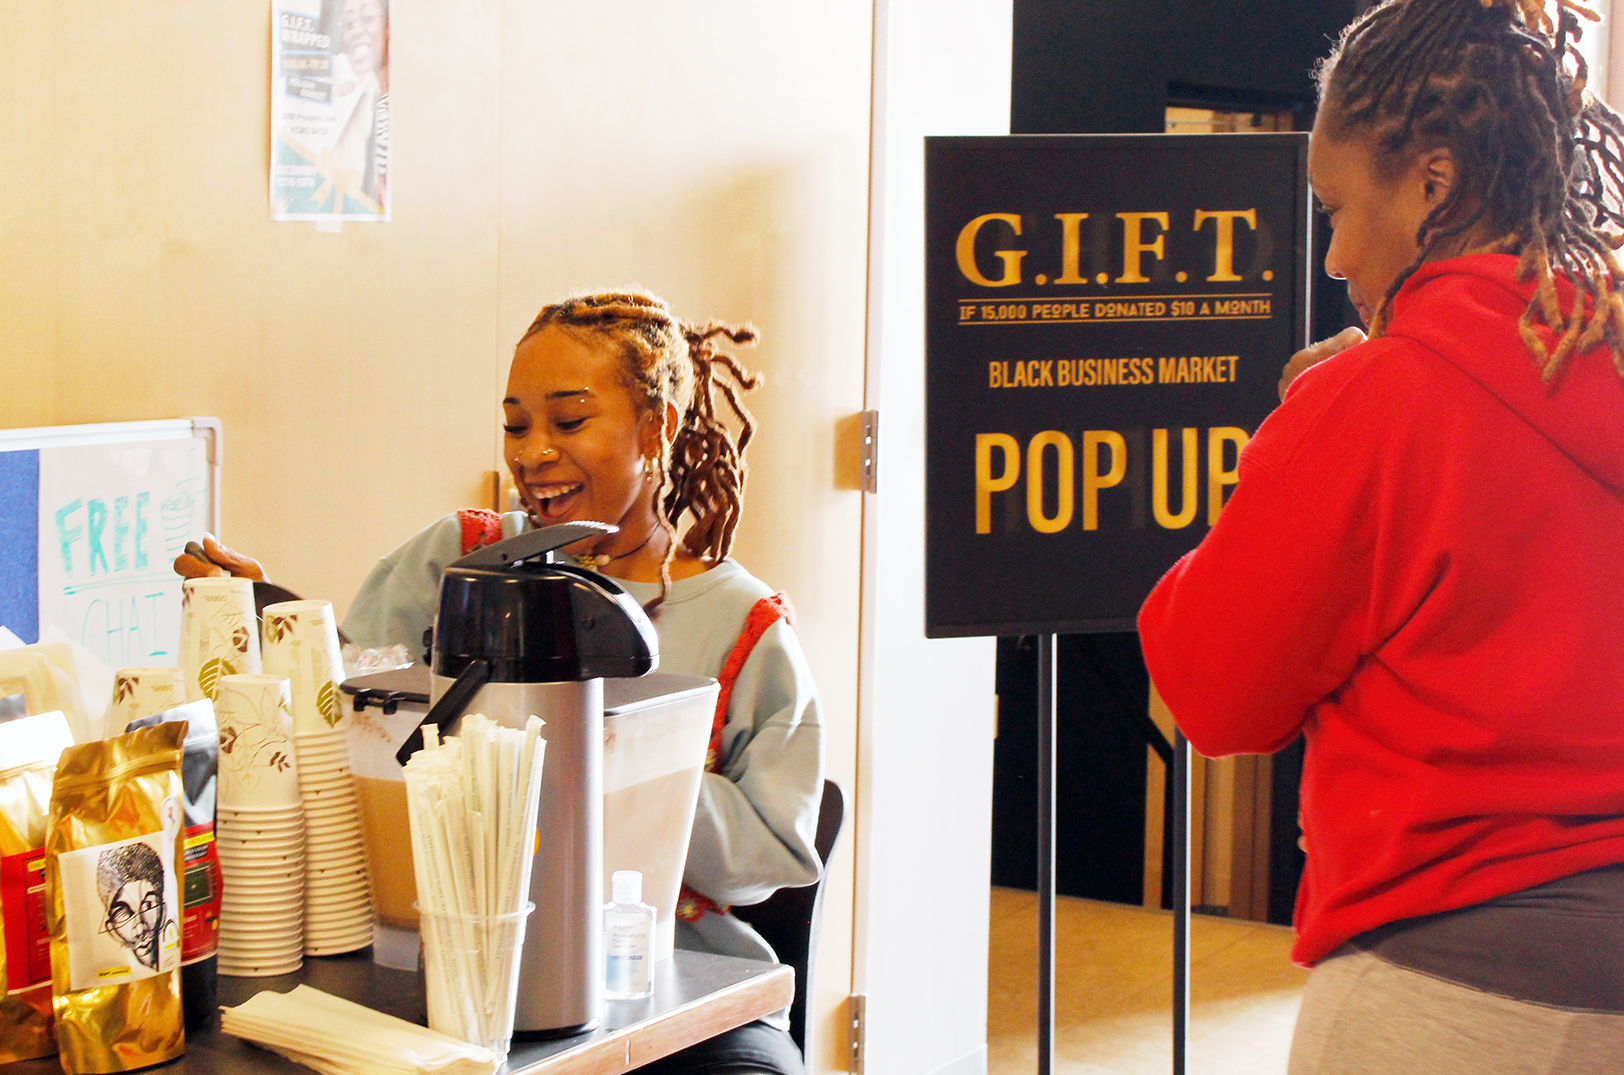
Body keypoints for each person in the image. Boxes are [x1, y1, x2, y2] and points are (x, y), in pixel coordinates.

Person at [1136, 1, 1624, 1071]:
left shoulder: (1374, 400)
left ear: (1431, 185)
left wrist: (1295, 442)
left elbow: (1215, 689)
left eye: (1337, 207)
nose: (1335, 256)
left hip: (1446, 989)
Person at [180, 290, 822, 1075]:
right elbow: (352, 716)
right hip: (432, 953)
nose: (533, 451)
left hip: (663, 982)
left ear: (658, 428)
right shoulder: (459, 558)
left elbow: (775, 854)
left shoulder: (745, 627)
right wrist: (280, 628)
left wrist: (624, 752)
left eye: (569, 420)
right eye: (517, 424)